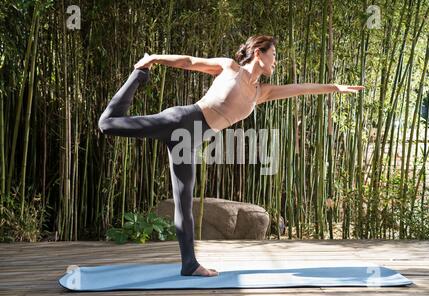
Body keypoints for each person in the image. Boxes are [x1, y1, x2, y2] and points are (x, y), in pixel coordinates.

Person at [98, 35, 364, 277]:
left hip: (189, 142)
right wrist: (153, 59)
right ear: (259, 53)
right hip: (180, 121)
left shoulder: (261, 92)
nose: (276, 61)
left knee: (184, 204)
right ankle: (138, 77)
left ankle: (189, 264)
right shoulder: (229, 68)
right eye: (274, 55)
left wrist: (335, 88)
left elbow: (300, 88)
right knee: (107, 124)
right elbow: (190, 62)